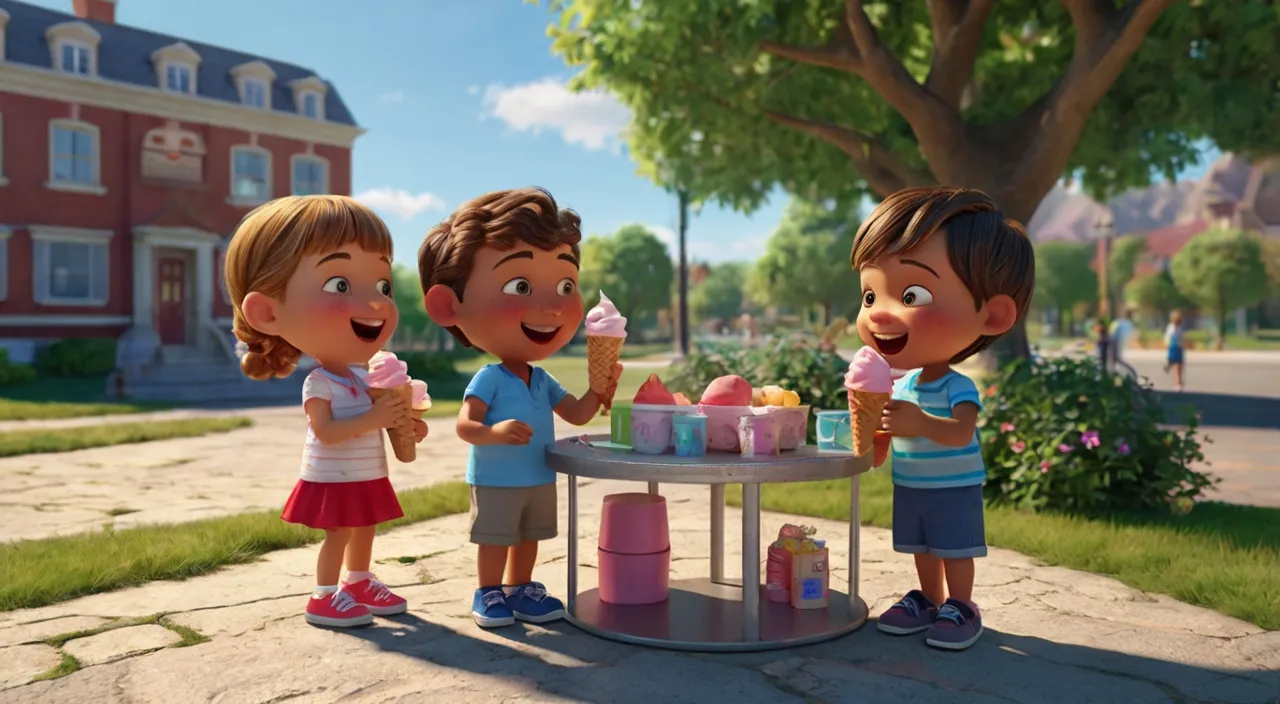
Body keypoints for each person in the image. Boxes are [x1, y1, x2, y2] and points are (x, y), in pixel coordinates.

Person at [419, 187, 623, 628]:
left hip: (536, 474)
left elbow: (576, 413)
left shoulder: (542, 379)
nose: (549, 306)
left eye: (565, 285)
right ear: (448, 306)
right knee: (495, 536)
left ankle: (520, 588)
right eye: (520, 286)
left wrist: (600, 389)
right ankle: (488, 591)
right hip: (496, 477)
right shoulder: (489, 378)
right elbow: (465, 425)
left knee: (529, 536)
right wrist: (494, 433)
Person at [224, 195, 428, 628]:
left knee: (367, 526)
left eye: (383, 286)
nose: (375, 303)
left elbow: (378, 421)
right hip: (332, 474)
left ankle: (358, 581)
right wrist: (375, 419)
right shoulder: (319, 383)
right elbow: (328, 432)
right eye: (340, 285)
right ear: (268, 311)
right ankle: (323, 595)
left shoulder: (363, 376)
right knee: (338, 532)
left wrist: (406, 424)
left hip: (366, 471)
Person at [855, 186, 1035, 651]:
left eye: (912, 294)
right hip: (912, 483)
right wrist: (876, 442)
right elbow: (894, 428)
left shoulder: (959, 387)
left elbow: (960, 433)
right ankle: (928, 598)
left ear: (992, 315)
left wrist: (919, 424)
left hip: (953, 487)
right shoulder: (903, 383)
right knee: (919, 546)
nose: (880, 315)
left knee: (953, 547)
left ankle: (962, 604)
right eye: (871, 295)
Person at [1109, 309, 1138, 375]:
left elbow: (1111, 331)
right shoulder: (1128, 324)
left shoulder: (1119, 322)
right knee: (1118, 357)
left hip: (1116, 341)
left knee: (1116, 358)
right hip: (1120, 342)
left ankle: (1116, 371)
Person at [1165, 310, 1186, 392]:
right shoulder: (1170, 328)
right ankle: (1177, 384)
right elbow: (1167, 338)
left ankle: (1178, 382)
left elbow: (1183, 338)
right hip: (1173, 348)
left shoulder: (1180, 328)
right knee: (1177, 367)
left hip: (1179, 348)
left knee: (1179, 367)